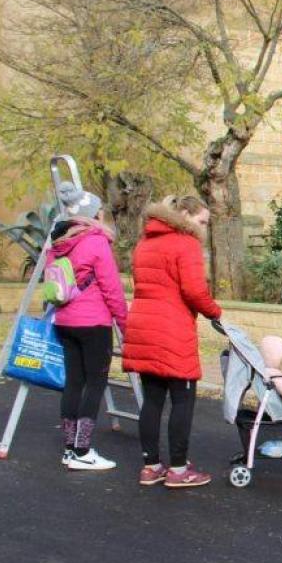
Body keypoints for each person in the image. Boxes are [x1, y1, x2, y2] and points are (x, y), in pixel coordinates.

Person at [123, 195, 222, 489]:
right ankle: (179, 468)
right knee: (182, 399)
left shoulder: (144, 243)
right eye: (202, 221)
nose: (204, 229)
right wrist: (215, 312)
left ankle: (151, 466)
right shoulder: (186, 243)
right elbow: (194, 290)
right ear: (183, 214)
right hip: (173, 329)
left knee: (152, 400)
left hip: (143, 326)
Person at [47, 184, 129, 471]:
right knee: (95, 384)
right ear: (93, 214)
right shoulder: (96, 242)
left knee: (73, 382)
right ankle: (83, 451)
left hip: (65, 320)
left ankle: (69, 448)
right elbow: (112, 288)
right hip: (93, 322)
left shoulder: (57, 242)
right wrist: (124, 323)